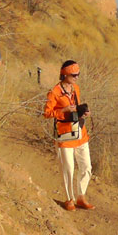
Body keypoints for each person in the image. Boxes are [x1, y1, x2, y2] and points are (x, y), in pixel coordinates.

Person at [43, 60, 95, 211]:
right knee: (68, 169)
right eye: (74, 75)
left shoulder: (75, 88)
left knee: (86, 167)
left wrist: (83, 112)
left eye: (78, 74)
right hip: (65, 135)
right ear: (65, 74)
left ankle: (81, 196)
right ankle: (69, 199)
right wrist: (63, 111)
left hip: (80, 133)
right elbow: (47, 113)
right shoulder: (54, 92)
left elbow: (75, 108)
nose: (77, 77)